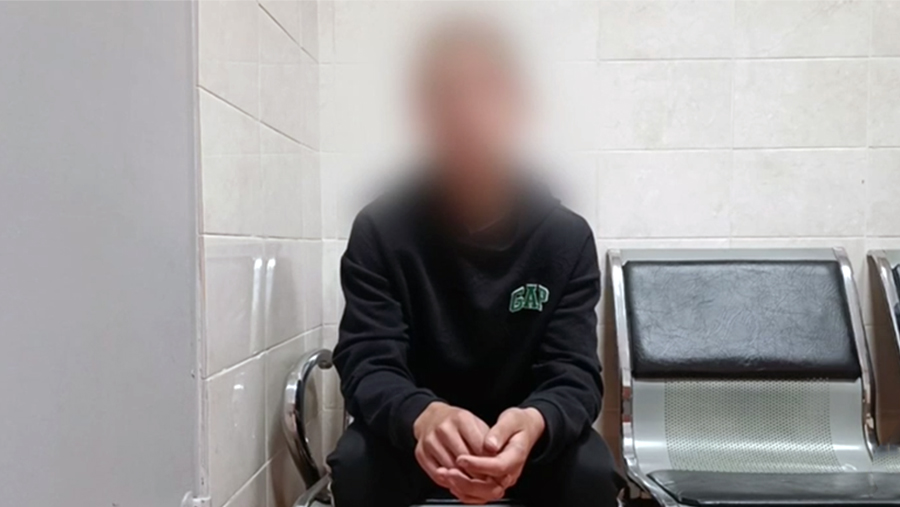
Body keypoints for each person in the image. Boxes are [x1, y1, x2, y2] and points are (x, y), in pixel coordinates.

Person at [326, 18, 623, 507]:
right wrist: (423, 416)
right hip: (416, 434)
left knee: (591, 474)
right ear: (422, 113)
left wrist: (534, 422)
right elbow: (367, 360)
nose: (467, 113)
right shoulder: (380, 229)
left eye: (487, 90)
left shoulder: (565, 239)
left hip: (525, 442)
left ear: (518, 106)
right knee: (356, 467)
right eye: (448, 94)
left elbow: (574, 374)